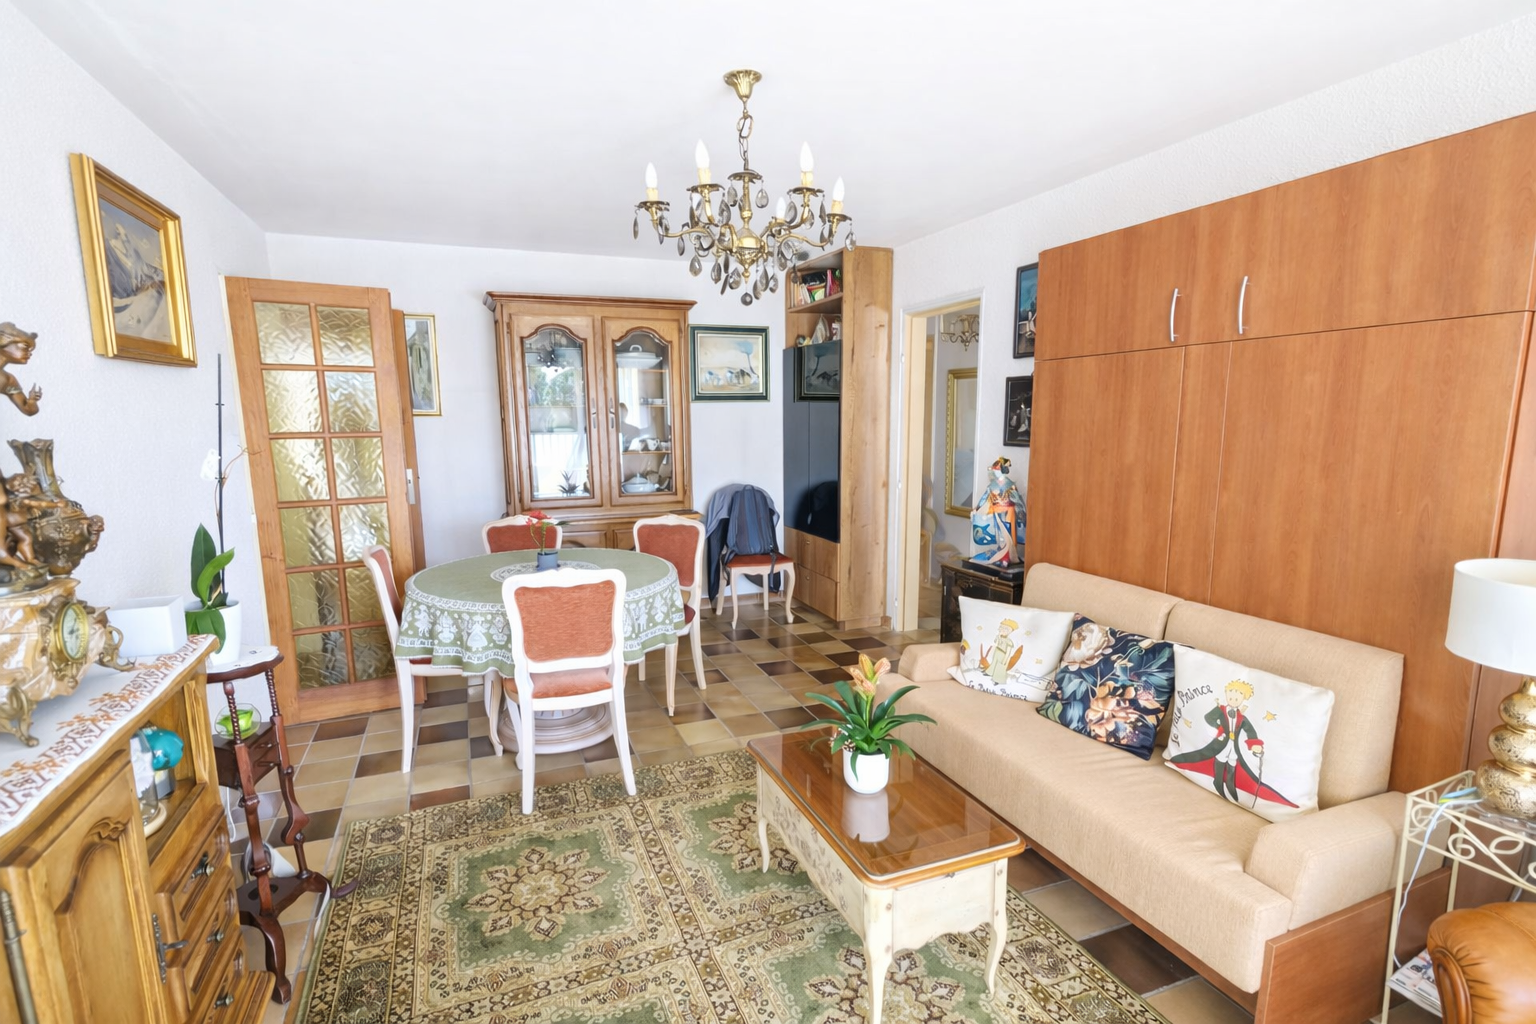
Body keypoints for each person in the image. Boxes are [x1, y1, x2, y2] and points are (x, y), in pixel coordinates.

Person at [0, 323, 42, 416]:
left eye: (30, 350)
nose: (29, 353)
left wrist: (32, 401)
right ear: (3, 341)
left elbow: (28, 410)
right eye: (25, 347)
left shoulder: (8, 380)